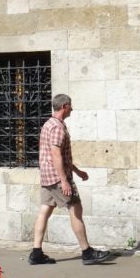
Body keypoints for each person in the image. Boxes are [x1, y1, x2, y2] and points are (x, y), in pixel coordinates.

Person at [29, 94, 112, 266]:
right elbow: (56, 154)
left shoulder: (48, 124)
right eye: (70, 106)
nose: (72, 109)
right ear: (64, 106)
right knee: (76, 209)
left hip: (47, 176)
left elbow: (61, 156)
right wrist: (64, 180)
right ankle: (87, 252)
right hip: (58, 177)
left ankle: (36, 253)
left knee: (45, 210)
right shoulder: (58, 127)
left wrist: (78, 171)